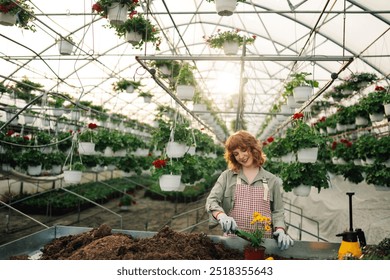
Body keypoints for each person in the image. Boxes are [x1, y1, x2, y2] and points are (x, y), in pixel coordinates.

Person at [205, 130, 294, 250]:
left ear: (253, 148)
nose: (241, 156)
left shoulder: (271, 180)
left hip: (263, 244)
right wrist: (221, 216)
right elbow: (212, 201)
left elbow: (278, 211)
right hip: (232, 243)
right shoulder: (227, 176)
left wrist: (280, 230)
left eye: (243, 150)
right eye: (236, 154)